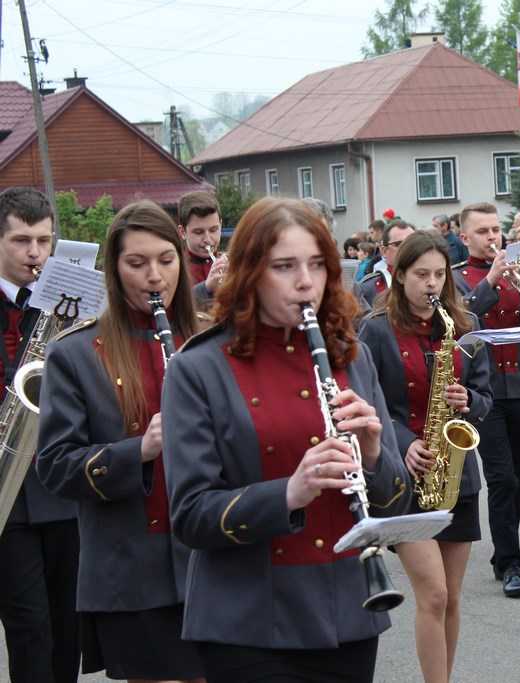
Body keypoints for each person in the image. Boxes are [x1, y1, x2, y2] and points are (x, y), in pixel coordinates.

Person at [160, 197, 411, 682]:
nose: (305, 282)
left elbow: (394, 502)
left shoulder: (351, 356)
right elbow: (190, 515)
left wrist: (374, 454)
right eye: (284, 267)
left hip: (348, 609)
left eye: (317, 265)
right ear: (250, 273)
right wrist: (290, 492)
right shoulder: (198, 367)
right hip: (246, 618)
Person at [36, 200, 204, 682]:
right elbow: (56, 466)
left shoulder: (211, 340)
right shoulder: (75, 352)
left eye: (166, 260)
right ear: (113, 269)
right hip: (134, 568)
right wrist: (141, 449)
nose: (155, 276)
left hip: (214, 558)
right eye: (137, 263)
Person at [358, 231, 491, 683]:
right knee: (433, 594)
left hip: (456, 475)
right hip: (404, 476)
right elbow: (366, 400)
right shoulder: (376, 329)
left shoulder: (465, 325)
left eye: (439, 274)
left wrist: (469, 399)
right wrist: (402, 442)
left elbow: (487, 397)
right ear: (399, 275)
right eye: (421, 275)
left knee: (451, 597)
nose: (432, 284)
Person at [452, 201, 520, 597]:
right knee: (502, 478)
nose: (492, 237)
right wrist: (491, 281)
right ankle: (512, 561)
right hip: (485, 393)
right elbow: (459, 323)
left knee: (517, 476)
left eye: (496, 229)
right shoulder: (457, 279)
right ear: (465, 238)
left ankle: (502, 553)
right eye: (483, 231)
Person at [0, 187, 80, 683]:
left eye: (44, 241)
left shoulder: (69, 305)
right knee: (31, 629)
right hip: (6, 491)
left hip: (59, 481)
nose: (35, 253)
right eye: (21, 241)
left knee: (68, 625)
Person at [178, 190, 228, 307]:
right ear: (183, 232)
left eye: (213, 230)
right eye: (198, 232)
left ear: (220, 225)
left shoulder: (232, 264)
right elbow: (173, 306)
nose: (207, 239)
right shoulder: (176, 269)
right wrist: (206, 287)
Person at [359, 221, 415, 307]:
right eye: (399, 244)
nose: (407, 249)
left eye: (413, 244)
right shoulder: (367, 287)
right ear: (384, 251)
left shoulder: (431, 282)